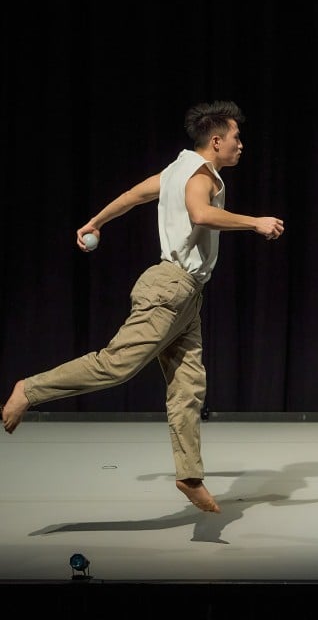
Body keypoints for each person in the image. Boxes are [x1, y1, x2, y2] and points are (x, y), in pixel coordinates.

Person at [1, 100, 285, 514]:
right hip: (169, 290)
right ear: (217, 140)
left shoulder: (176, 170)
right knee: (115, 365)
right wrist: (255, 222)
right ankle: (30, 390)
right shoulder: (202, 176)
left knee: (188, 388)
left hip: (186, 296)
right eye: (236, 138)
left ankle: (189, 476)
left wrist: (96, 221)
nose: (242, 145)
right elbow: (200, 214)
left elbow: (134, 195)